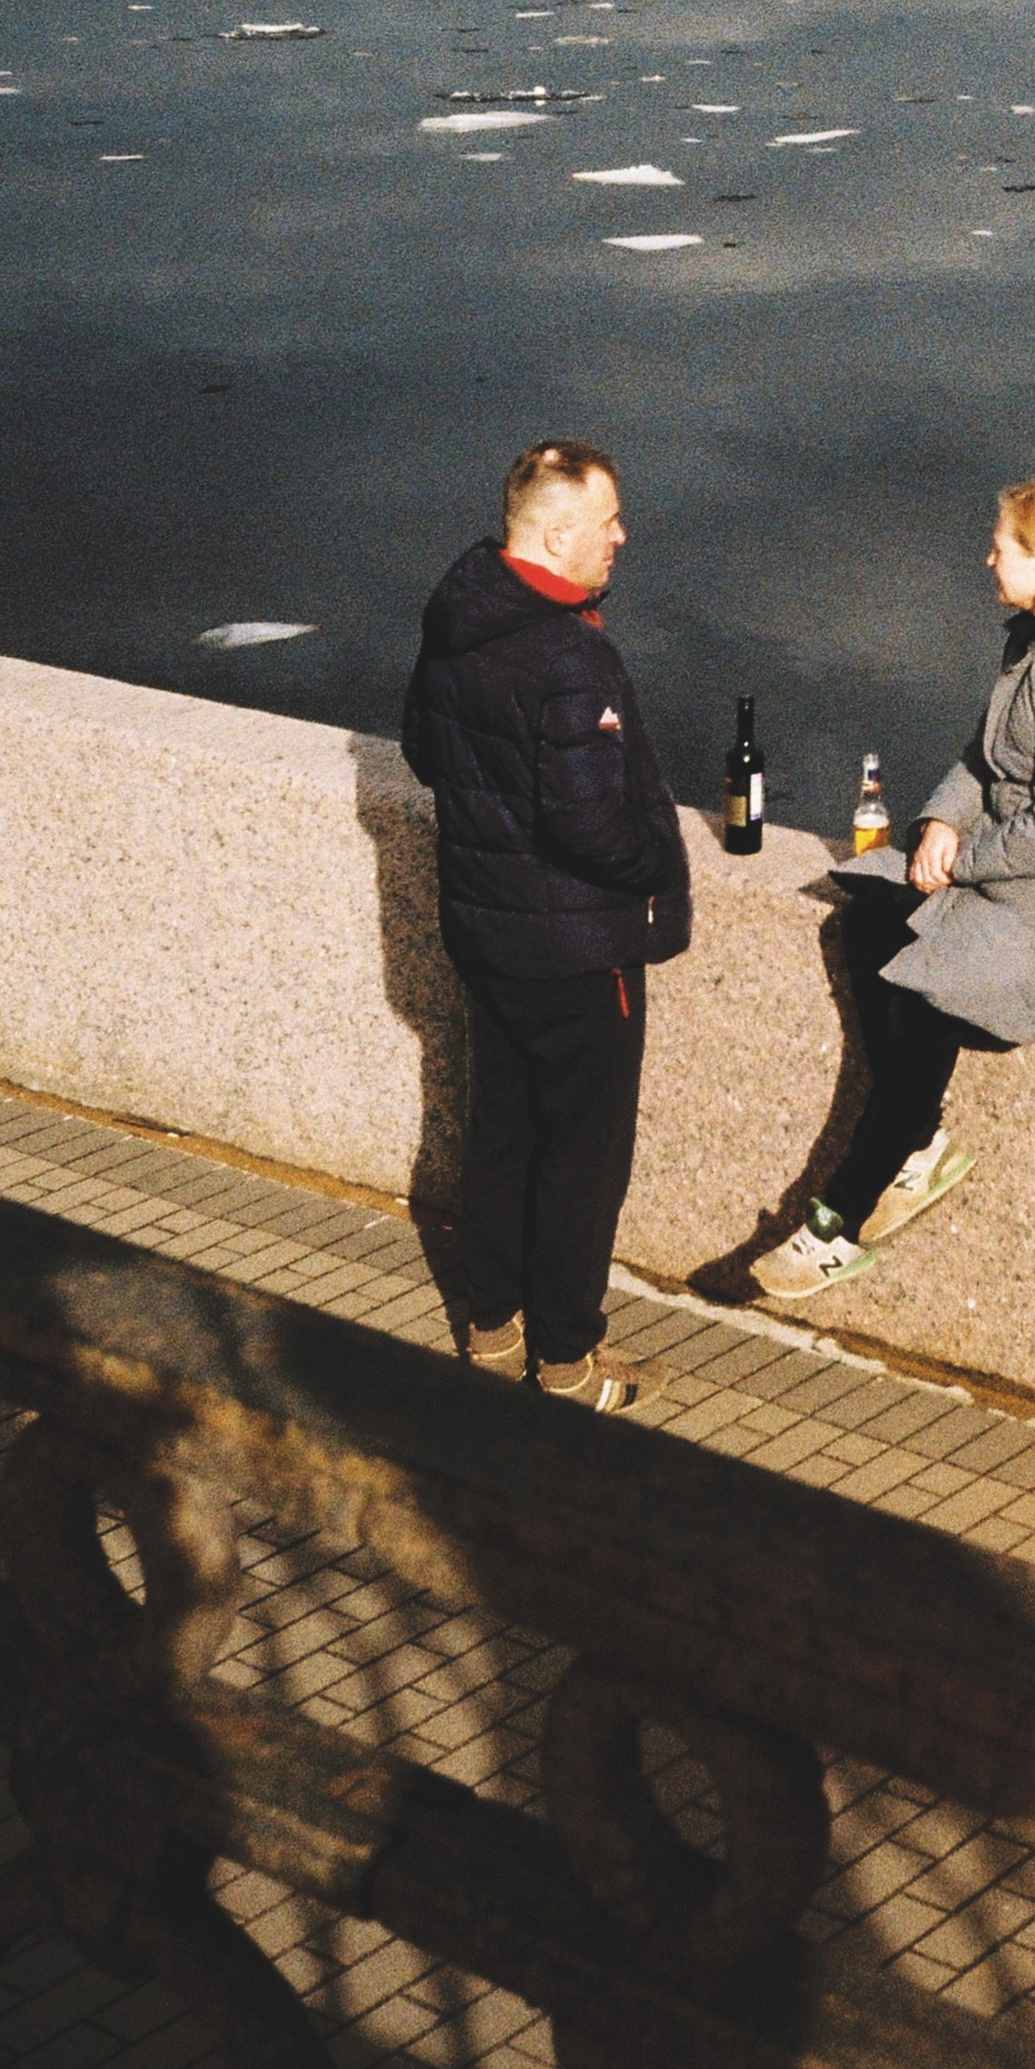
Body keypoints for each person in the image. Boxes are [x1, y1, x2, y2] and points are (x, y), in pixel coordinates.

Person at [755, 475, 1035, 1305]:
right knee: (867, 916)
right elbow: (982, 759)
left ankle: (838, 1224)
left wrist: (963, 864)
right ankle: (918, 1145)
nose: (986, 556)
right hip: (1027, 848)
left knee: (931, 990)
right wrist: (940, 824)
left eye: (1002, 546)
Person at [402, 439, 690, 1410]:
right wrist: (658, 858)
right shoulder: (571, 652)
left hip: (485, 932)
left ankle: (491, 1328)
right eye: (606, 519)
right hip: (574, 947)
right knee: (583, 1155)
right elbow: (587, 823)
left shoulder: (458, 616)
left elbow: (421, 747)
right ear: (555, 531)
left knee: (502, 1128)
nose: (620, 535)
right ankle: (567, 1359)